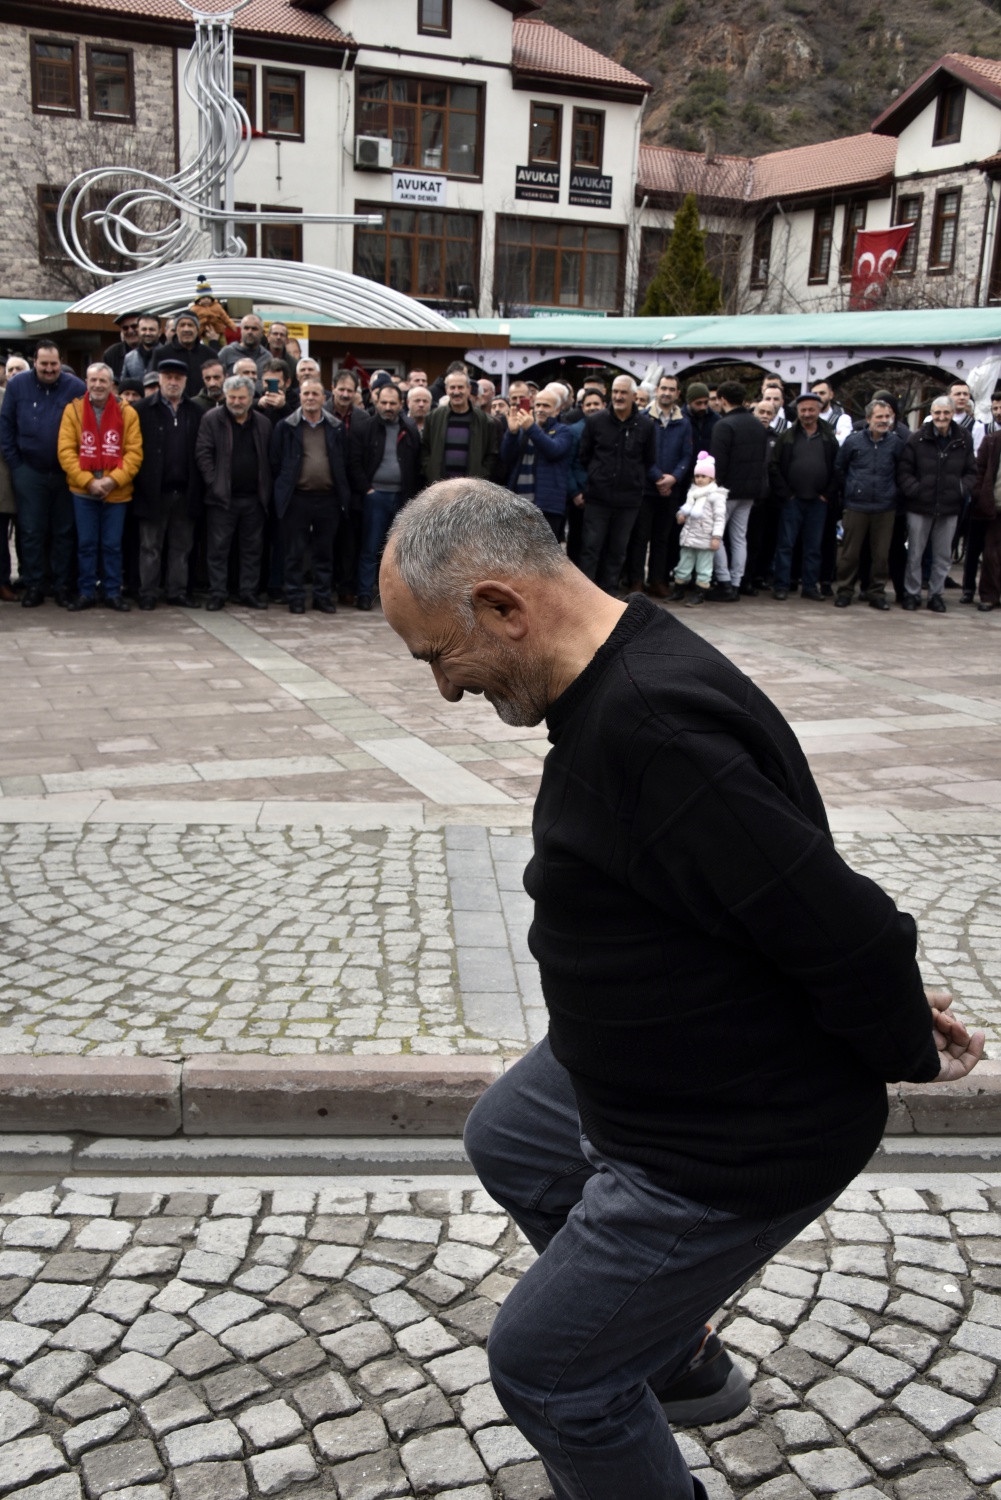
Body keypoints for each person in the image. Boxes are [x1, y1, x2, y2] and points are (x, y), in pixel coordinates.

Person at [377, 479, 981, 1500]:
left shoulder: (648, 731)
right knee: (512, 1137)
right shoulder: (622, 668)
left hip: (725, 1136)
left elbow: (850, 932)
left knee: (547, 1373)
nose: (444, 690)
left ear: (502, 606)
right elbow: (763, 894)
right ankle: (673, 1349)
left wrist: (893, 1039)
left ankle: (623, 1362)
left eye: (440, 655)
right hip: (651, 1063)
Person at [0, 340, 85, 607]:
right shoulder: (18, 385)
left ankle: (61, 585)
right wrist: (16, 465)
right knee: (31, 531)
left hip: (65, 473)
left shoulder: (76, 387)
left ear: (60, 363)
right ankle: (34, 584)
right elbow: (6, 426)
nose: (49, 369)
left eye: (54, 364)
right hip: (29, 471)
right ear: (34, 362)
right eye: (44, 364)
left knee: (64, 530)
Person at [56, 362, 142, 612]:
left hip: (117, 492)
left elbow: (134, 453)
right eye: (93, 380)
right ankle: (86, 592)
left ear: (112, 384)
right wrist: (89, 482)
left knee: (113, 545)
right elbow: (65, 451)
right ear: (86, 382)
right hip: (83, 491)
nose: (97, 385)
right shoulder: (73, 411)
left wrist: (111, 480)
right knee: (86, 544)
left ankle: (112, 591)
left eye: (103, 381)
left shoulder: (128, 413)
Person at [271, 376, 350, 615]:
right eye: (306, 394)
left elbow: (342, 462)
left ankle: (322, 597)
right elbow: (276, 462)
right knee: (294, 552)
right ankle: (295, 597)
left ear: (324, 398)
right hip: (297, 498)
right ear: (300, 397)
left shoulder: (336, 427)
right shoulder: (286, 426)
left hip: (328, 498)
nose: (310, 398)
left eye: (315, 394)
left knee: (324, 552)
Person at [196, 374, 273, 611]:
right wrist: (215, 484)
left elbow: (268, 458)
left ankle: (248, 592)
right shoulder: (212, 419)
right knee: (218, 549)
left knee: (252, 550)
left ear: (251, 398)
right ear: (225, 397)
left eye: (242, 397)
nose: (237, 401)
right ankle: (218, 593)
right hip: (222, 499)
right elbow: (203, 453)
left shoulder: (262, 423)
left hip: (253, 498)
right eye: (232, 397)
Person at [132, 358, 204, 610]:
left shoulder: (196, 412)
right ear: (159, 379)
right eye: (168, 377)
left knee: (181, 547)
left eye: (178, 378)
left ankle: (177, 591)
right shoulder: (141, 410)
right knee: (150, 546)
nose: (173, 382)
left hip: (185, 491)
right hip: (152, 491)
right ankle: (148, 592)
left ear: (185, 381)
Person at [578, 375, 656, 594]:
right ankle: (585, 593)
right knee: (591, 547)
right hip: (598, 497)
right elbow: (585, 455)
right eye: (615, 392)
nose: (619, 397)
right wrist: (596, 475)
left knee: (618, 549)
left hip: (629, 499)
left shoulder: (646, 425)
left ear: (634, 396)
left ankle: (609, 591)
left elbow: (648, 460)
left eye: (623, 392)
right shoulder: (596, 421)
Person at [897, 395, 976, 614]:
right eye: (937, 412)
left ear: (953, 414)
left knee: (942, 555)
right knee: (915, 553)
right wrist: (916, 490)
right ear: (931, 413)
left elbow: (972, 471)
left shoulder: (964, 438)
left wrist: (961, 490)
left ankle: (936, 595)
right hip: (919, 506)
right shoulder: (916, 438)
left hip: (949, 506)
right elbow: (904, 471)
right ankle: (912, 593)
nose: (941, 417)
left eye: (946, 413)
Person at [348, 381, 421, 611]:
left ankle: (396, 598)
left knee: (399, 550)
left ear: (401, 404)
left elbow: (416, 463)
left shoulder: (409, 429)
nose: (388, 407)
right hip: (375, 496)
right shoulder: (364, 427)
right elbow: (354, 462)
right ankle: (364, 593)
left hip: (401, 497)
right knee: (370, 547)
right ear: (376, 402)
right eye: (384, 402)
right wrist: (367, 489)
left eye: (393, 403)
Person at [832, 399, 904, 610]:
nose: (883, 421)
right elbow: (839, 468)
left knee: (880, 555)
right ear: (869, 419)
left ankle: (876, 593)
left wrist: (893, 493)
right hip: (856, 505)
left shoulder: (896, 443)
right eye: (879, 417)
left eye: (886, 417)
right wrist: (852, 488)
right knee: (850, 554)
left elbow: (902, 471)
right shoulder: (853, 441)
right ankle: (845, 590)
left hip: (885, 506)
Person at [770, 391, 840, 602]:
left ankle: (810, 586)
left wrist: (827, 494)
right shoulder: (787, 436)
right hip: (793, 500)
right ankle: (781, 585)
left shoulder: (829, 438)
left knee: (813, 547)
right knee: (785, 545)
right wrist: (786, 494)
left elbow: (838, 468)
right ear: (797, 412)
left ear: (819, 410)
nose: (807, 414)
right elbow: (773, 466)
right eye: (803, 410)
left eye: (811, 409)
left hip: (818, 501)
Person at [626, 374, 692, 596]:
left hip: (671, 490)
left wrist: (674, 477)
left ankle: (658, 580)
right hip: (646, 488)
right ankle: (636, 581)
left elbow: (687, 455)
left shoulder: (684, 422)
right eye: (663, 388)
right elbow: (641, 454)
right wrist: (657, 477)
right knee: (640, 537)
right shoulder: (644, 418)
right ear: (657, 389)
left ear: (677, 393)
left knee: (662, 538)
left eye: (671, 389)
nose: (666, 393)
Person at [708, 379, 769, 601]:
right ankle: (736, 581)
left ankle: (724, 582)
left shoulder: (723, 425)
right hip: (750, 490)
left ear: (723, 400)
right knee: (739, 537)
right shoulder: (756, 424)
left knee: (716, 535)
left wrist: (713, 488)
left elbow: (718, 462)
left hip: (726, 490)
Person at [500, 384, 574, 543]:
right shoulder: (524, 429)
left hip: (547, 504)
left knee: (544, 557)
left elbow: (554, 451)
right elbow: (506, 457)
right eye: (538, 405)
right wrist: (512, 433)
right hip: (519, 503)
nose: (540, 409)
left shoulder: (563, 431)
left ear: (557, 410)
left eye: (546, 406)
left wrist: (531, 427)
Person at [669, 450, 727, 607]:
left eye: (703, 476)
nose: (700, 479)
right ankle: (678, 591)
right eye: (698, 476)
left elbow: (720, 518)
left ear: (711, 478)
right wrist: (680, 516)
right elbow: (686, 510)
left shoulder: (716, 495)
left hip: (706, 539)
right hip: (689, 537)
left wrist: (716, 537)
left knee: (704, 568)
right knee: (683, 566)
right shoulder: (692, 493)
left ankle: (699, 594)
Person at [421, 369, 499, 484]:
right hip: (440, 486)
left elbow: (491, 454)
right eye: (452, 387)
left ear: (469, 389)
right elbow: (424, 449)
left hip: (471, 488)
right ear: (446, 390)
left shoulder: (485, 421)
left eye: (460, 387)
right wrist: (431, 470)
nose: (456, 392)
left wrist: (481, 473)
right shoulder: (433, 418)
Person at [972, 420, 1001, 612]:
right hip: (996, 507)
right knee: (991, 552)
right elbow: (979, 471)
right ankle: (989, 595)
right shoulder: (992, 441)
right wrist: (978, 496)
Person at [149, 310, 210, 397]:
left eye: (190, 325)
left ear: (197, 329)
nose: (186, 329)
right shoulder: (161, 353)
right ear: (176, 329)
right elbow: (155, 383)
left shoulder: (209, 354)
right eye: (182, 325)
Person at [219, 315, 270, 382]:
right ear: (241, 330)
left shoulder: (267, 357)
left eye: (254, 329)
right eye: (246, 328)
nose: (250, 332)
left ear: (262, 333)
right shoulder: (227, 353)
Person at [102, 312, 143, 381]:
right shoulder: (111, 354)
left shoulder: (156, 351)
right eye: (125, 328)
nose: (130, 331)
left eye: (134, 326)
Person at [121, 315, 163, 380]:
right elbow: (124, 385)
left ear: (159, 332)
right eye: (144, 329)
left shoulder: (167, 355)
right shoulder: (129, 358)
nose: (147, 333)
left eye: (151, 329)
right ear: (138, 331)